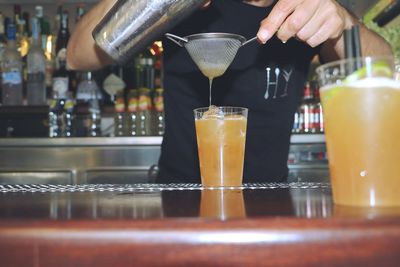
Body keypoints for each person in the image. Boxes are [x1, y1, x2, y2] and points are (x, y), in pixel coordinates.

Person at [67, 0, 392, 183]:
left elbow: (382, 66)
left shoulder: (303, 8)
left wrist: (342, 23)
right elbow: (77, 55)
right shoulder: (183, 6)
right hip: (179, 198)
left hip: (270, 198)